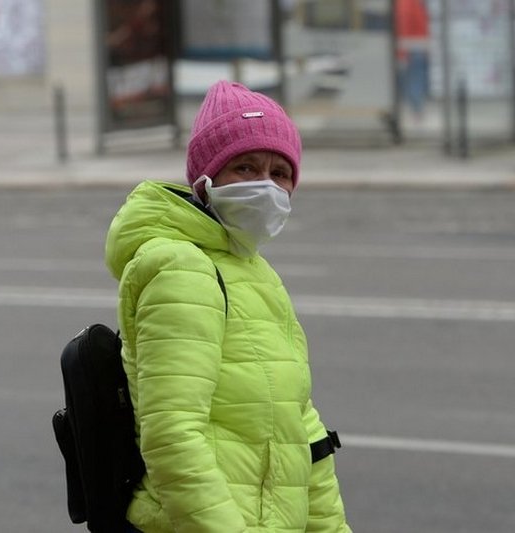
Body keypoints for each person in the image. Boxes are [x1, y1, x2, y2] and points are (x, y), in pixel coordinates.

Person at [105, 80, 354, 532]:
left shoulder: (253, 270)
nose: (266, 186)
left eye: (280, 173)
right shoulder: (180, 268)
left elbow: (302, 430)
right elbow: (173, 437)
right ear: (205, 180)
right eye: (245, 167)